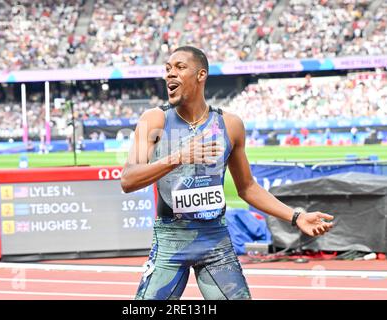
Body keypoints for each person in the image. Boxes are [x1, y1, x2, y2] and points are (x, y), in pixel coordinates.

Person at [121, 46, 334, 300]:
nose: (170, 75)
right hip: (171, 239)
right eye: (167, 69)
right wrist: (179, 157)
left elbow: (247, 188)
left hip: (215, 241)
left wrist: (296, 216)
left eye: (179, 68)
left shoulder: (229, 124)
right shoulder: (155, 120)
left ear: (201, 75)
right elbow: (128, 179)